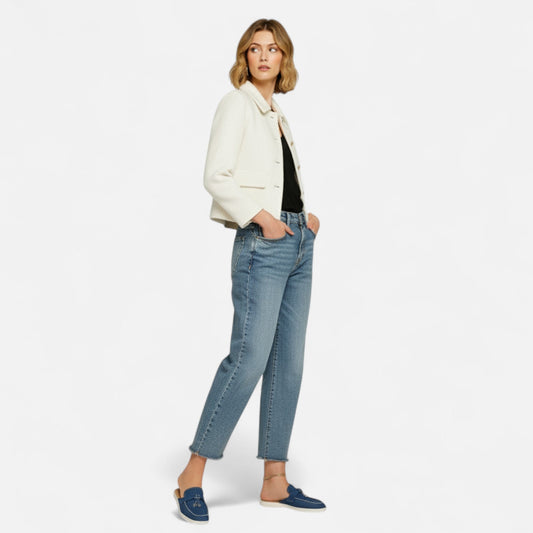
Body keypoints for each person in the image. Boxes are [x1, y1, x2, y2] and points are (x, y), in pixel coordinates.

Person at [173, 18, 326, 523]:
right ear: (245, 56)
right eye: (255, 48)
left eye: (273, 49)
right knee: (248, 359)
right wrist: (263, 218)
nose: (264, 56)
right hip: (264, 243)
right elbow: (216, 175)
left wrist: (304, 218)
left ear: (284, 59)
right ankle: (192, 473)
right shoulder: (237, 103)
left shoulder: (276, 112)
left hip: (297, 242)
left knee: (289, 364)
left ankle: (275, 481)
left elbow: (277, 179)